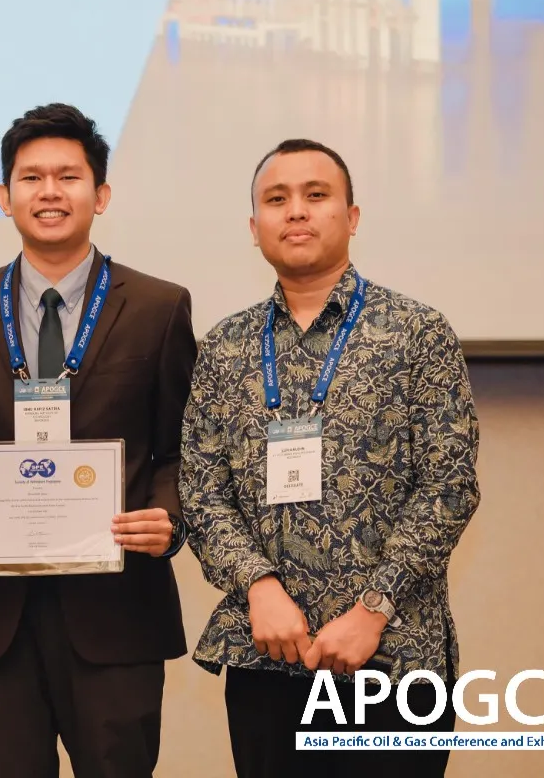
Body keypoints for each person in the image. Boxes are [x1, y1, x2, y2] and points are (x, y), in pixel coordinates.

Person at [179, 138, 480, 777]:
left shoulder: (416, 331)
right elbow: (202, 491)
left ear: (352, 214)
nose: (296, 212)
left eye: (316, 196)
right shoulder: (227, 346)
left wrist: (373, 608)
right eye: (276, 199)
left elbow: (449, 485)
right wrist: (258, 588)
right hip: (268, 657)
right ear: (253, 224)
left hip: (394, 655)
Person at [0, 103, 197, 778]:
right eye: (31, 177)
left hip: (117, 611)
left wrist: (169, 517)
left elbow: (182, 450)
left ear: (100, 195)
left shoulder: (160, 307)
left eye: (68, 177)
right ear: (4, 196)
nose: (49, 191)